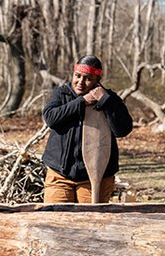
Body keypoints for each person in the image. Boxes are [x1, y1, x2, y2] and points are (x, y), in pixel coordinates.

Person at [42, 55, 133, 203]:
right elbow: (51, 118)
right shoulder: (62, 94)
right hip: (59, 175)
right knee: (54, 219)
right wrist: (82, 101)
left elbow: (122, 130)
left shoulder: (110, 99)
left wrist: (105, 101)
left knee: (92, 223)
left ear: (97, 80)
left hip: (96, 178)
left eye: (88, 78)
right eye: (77, 76)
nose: (80, 82)